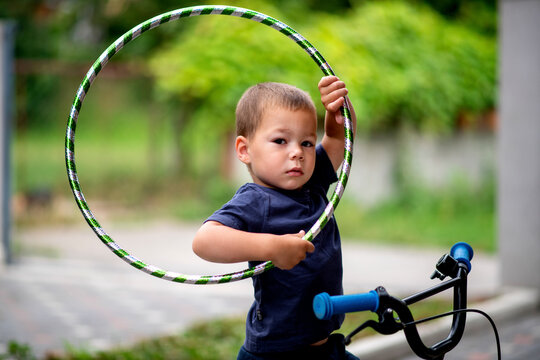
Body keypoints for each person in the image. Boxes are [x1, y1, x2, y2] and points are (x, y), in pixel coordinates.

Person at [192, 76, 358, 360]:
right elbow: (204, 240)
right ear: (245, 150)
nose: (297, 153)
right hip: (275, 354)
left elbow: (340, 138)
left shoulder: (313, 180)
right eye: (280, 141)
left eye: (306, 142)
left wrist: (338, 110)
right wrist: (273, 247)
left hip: (324, 347)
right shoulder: (254, 201)